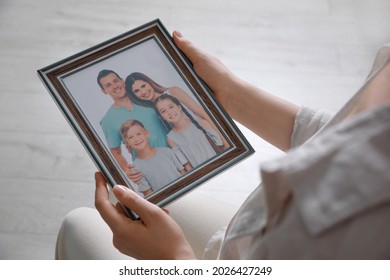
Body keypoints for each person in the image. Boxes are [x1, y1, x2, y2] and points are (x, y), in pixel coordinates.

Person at [56, 32, 390, 260]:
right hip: (248, 234)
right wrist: (231, 94)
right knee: (121, 192)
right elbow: (335, 132)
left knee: (77, 224)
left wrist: (172, 259)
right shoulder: (121, 119)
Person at [125, 72, 230, 150]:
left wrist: (226, 140)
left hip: (209, 137)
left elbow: (204, 114)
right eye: (137, 91)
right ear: (134, 95)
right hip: (191, 148)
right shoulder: (153, 111)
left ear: (149, 83)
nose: (143, 92)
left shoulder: (173, 92)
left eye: (143, 86)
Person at [97, 69, 169, 181]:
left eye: (116, 81)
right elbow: (115, 152)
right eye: (108, 85)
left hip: (175, 154)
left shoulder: (145, 98)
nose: (115, 86)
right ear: (104, 90)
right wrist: (127, 169)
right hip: (149, 170)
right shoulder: (108, 120)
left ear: (122, 81)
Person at [119, 119, 188, 196]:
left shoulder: (167, 152)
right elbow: (149, 194)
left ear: (146, 133)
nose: (136, 139)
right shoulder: (135, 168)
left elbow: (183, 173)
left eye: (138, 134)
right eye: (131, 137)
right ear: (127, 143)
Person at [154, 94, 224, 167]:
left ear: (179, 107)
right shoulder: (171, 139)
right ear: (161, 117)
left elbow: (221, 145)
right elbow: (187, 165)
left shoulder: (201, 123)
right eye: (163, 111)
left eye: (171, 107)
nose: (169, 112)